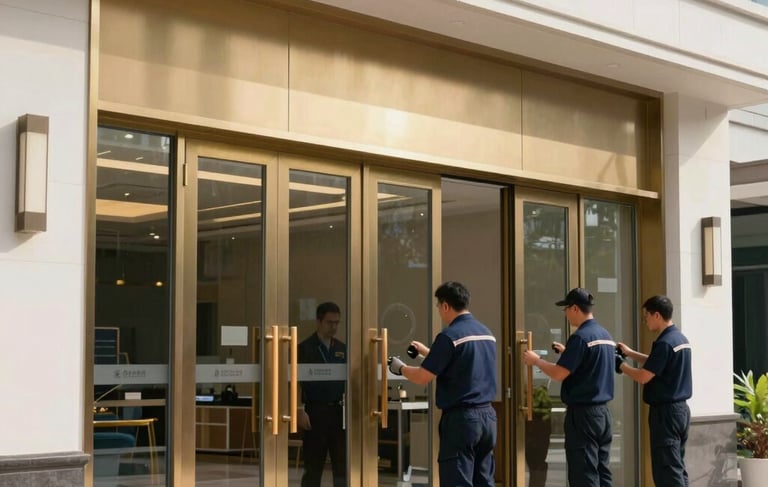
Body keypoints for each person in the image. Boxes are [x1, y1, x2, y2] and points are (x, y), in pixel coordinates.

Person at [387, 281, 497, 487]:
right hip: (488, 418)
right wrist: (429, 353)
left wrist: (399, 368)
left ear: (445, 305)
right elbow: (462, 363)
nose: (439, 311)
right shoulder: (486, 333)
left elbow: (422, 377)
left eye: (438, 306)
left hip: (462, 420)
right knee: (483, 480)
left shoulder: (449, 336)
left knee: (457, 480)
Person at [522, 287, 615, 487]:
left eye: (566, 309)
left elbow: (559, 374)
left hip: (584, 416)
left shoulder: (580, 337)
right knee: (602, 471)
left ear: (575, 308)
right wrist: (568, 352)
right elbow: (590, 364)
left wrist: (536, 361)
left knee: (584, 473)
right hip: (603, 414)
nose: (565, 313)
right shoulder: (605, 335)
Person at [616, 295, 692, 487]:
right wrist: (630, 353)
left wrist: (621, 365)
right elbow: (657, 362)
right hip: (680, 411)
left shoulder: (664, 343)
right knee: (676, 466)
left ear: (656, 315)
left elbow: (643, 376)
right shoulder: (679, 339)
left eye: (646, 317)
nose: (646, 321)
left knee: (667, 470)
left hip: (666, 414)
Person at [297, 302, 346, 487]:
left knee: (341, 464)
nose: (333, 327)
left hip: (338, 412)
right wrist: (299, 409)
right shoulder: (305, 348)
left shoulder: (341, 348)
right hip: (314, 411)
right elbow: (296, 382)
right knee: (313, 465)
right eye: (329, 322)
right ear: (319, 321)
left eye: (336, 323)